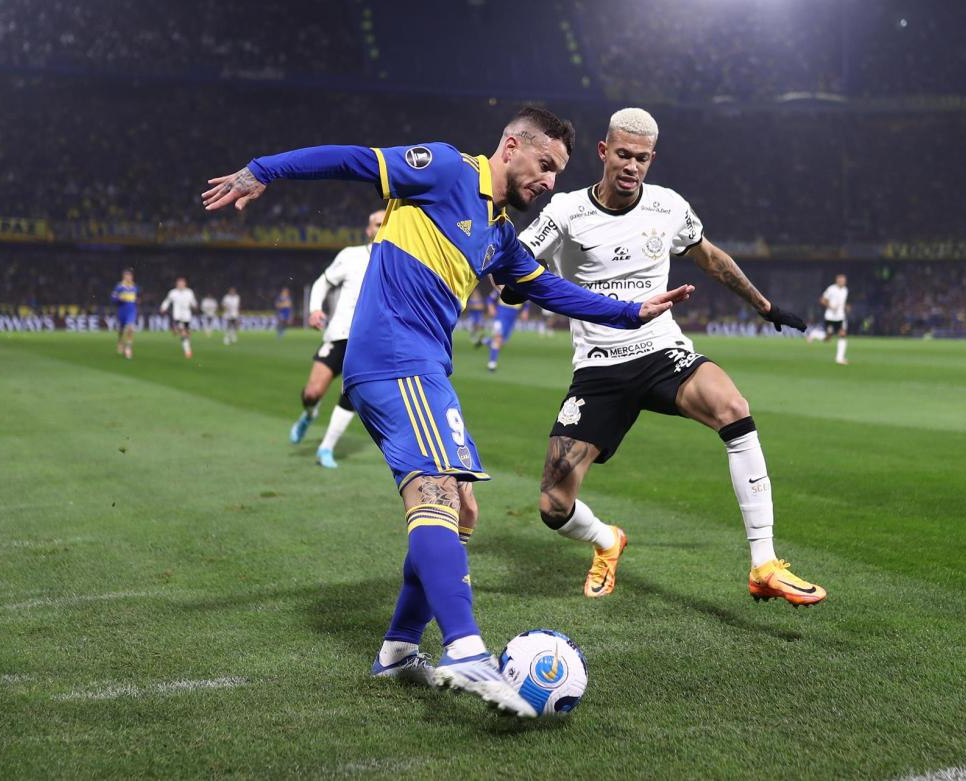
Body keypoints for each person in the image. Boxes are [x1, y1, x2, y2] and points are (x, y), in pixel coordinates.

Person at [202, 106, 692, 717]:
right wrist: (260, 172)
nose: (549, 182)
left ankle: (400, 651)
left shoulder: (498, 233)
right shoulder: (444, 168)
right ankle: (464, 650)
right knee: (435, 495)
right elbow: (353, 159)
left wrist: (630, 311)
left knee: (460, 510)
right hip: (394, 357)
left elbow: (547, 289)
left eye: (559, 173)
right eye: (545, 165)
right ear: (511, 146)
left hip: (425, 367)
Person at [516, 107, 826, 606]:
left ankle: (764, 563)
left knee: (733, 406)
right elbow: (517, 261)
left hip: (661, 351)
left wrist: (765, 306)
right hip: (598, 368)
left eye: (641, 158)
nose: (631, 166)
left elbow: (711, 258)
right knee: (553, 505)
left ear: (652, 159)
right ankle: (606, 540)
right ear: (603, 152)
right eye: (622, 154)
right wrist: (516, 284)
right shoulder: (566, 213)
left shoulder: (668, 207)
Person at [290, 209, 386, 468]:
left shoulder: (400, 262)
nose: (381, 227)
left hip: (370, 342)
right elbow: (322, 282)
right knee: (312, 392)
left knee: (351, 395)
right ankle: (309, 414)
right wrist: (314, 309)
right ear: (368, 230)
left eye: (386, 223)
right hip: (339, 334)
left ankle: (326, 448)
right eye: (377, 223)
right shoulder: (350, 256)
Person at [484, 286, 522, 372]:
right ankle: (492, 364)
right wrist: (491, 307)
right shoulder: (502, 285)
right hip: (501, 314)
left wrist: (525, 311)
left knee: (503, 342)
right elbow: (490, 298)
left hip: (512, 317)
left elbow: (526, 300)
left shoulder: (522, 285)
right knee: (498, 338)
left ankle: (486, 341)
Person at [160, 276, 198, 359]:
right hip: (177, 316)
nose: (180, 285)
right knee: (183, 332)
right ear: (177, 284)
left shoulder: (189, 292)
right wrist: (163, 307)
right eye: (179, 283)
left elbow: (193, 301)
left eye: (182, 283)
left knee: (186, 334)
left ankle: (176, 331)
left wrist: (195, 305)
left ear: (185, 284)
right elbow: (167, 301)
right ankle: (187, 351)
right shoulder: (173, 292)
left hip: (187, 317)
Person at [820, 274, 851, 365]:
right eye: (841, 280)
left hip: (840, 317)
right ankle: (815, 334)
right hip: (830, 317)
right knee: (828, 337)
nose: (843, 282)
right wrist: (831, 306)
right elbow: (822, 300)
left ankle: (839, 358)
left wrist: (846, 307)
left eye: (844, 280)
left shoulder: (845, 290)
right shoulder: (831, 289)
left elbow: (842, 303)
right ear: (837, 281)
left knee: (842, 334)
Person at [111, 269, 140, 359]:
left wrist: (137, 300)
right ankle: (120, 340)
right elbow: (113, 297)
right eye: (126, 276)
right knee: (121, 329)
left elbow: (137, 297)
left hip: (131, 310)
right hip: (122, 310)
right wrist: (119, 299)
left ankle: (128, 348)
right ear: (124, 277)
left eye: (130, 276)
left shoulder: (135, 287)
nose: (128, 278)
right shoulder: (119, 286)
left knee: (130, 328)